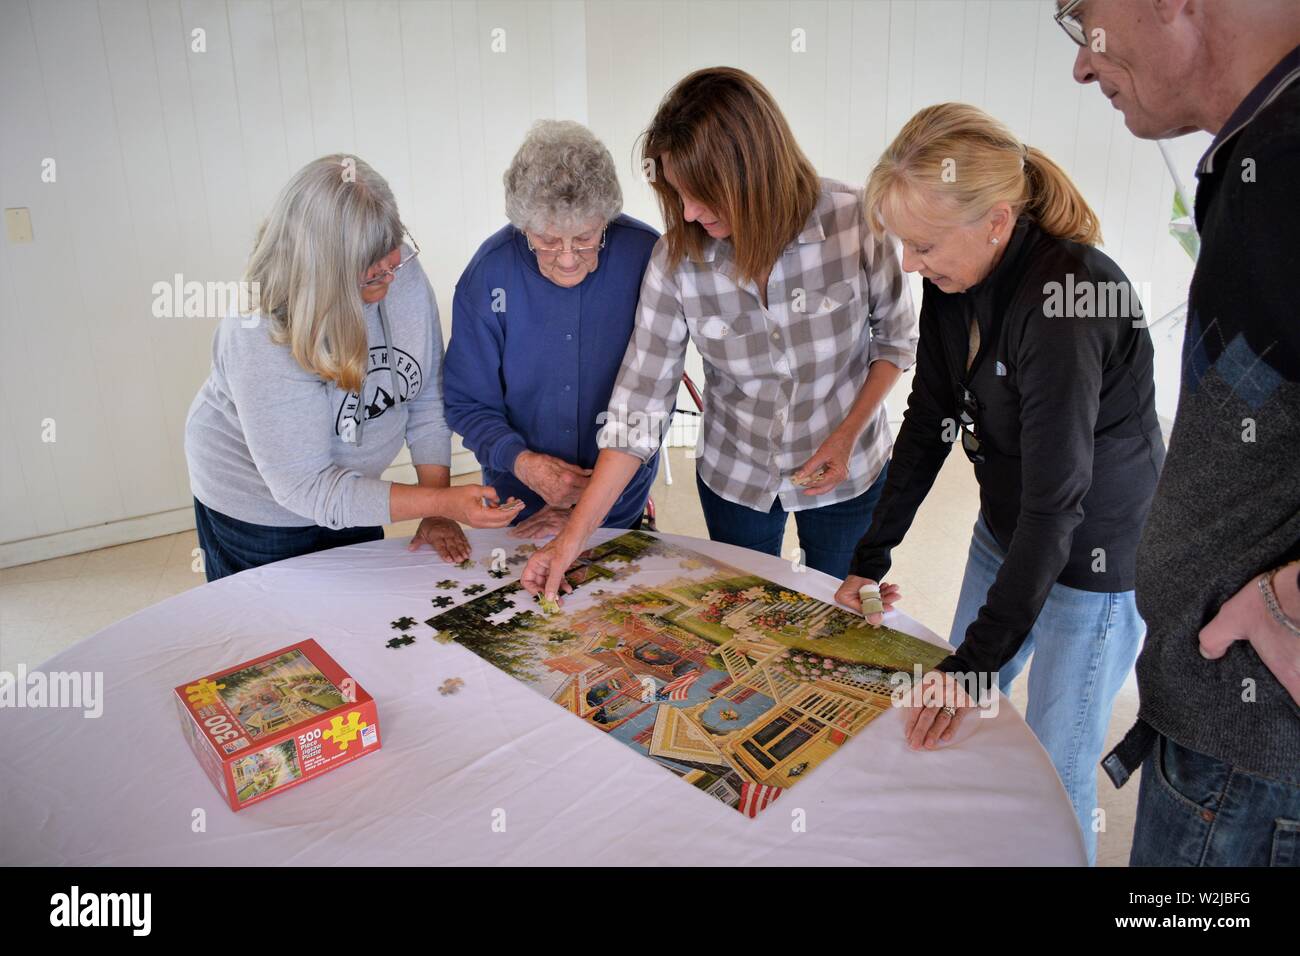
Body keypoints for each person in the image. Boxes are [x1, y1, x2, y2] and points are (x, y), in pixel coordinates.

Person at [834, 103, 1165, 865]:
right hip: (1007, 524)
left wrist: (973, 665)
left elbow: (1058, 505)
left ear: (996, 221)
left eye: (923, 246)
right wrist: (870, 557)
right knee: (963, 713)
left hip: (1093, 556)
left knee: (1053, 766)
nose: (911, 265)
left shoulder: (1070, 299)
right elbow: (927, 424)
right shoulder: (955, 277)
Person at [1054, 0, 1300, 866]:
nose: (1082, 64)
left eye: (1081, 17)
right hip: (1223, 739)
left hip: (1253, 761)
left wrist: (1283, 602)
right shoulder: (1263, 148)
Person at [521, 66, 917, 596]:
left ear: (753, 172)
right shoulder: (675, 259)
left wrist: (846, 436)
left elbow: (894, 341)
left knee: (840, 615)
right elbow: (638, 408)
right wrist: (573, 538)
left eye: (702, 194)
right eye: (677, 193)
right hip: (737, 477)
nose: (686, 211)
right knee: (747, 616)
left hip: (853, 472)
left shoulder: (855, 221)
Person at [184, 155, 517, 582]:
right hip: (259, 509)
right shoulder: (259, 329)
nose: (390, 274)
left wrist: (436, 504)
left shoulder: (397, 268)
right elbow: (307, 487)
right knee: (277, 635)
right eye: (369, 271)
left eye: (392, 254)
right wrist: (440, 502)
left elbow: (427, 398)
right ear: (320, 269)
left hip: (354, 487)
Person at [444, 120, 660, 541]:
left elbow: (657, 396)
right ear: (522, 225)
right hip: (518, 502)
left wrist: (592, 505)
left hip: (620, 501)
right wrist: (523, 462)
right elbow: (467, 402)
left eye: (584, 238)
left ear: (606, 219)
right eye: (546, 240)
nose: (566, 259)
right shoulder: (488, 274)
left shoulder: (648, 258)